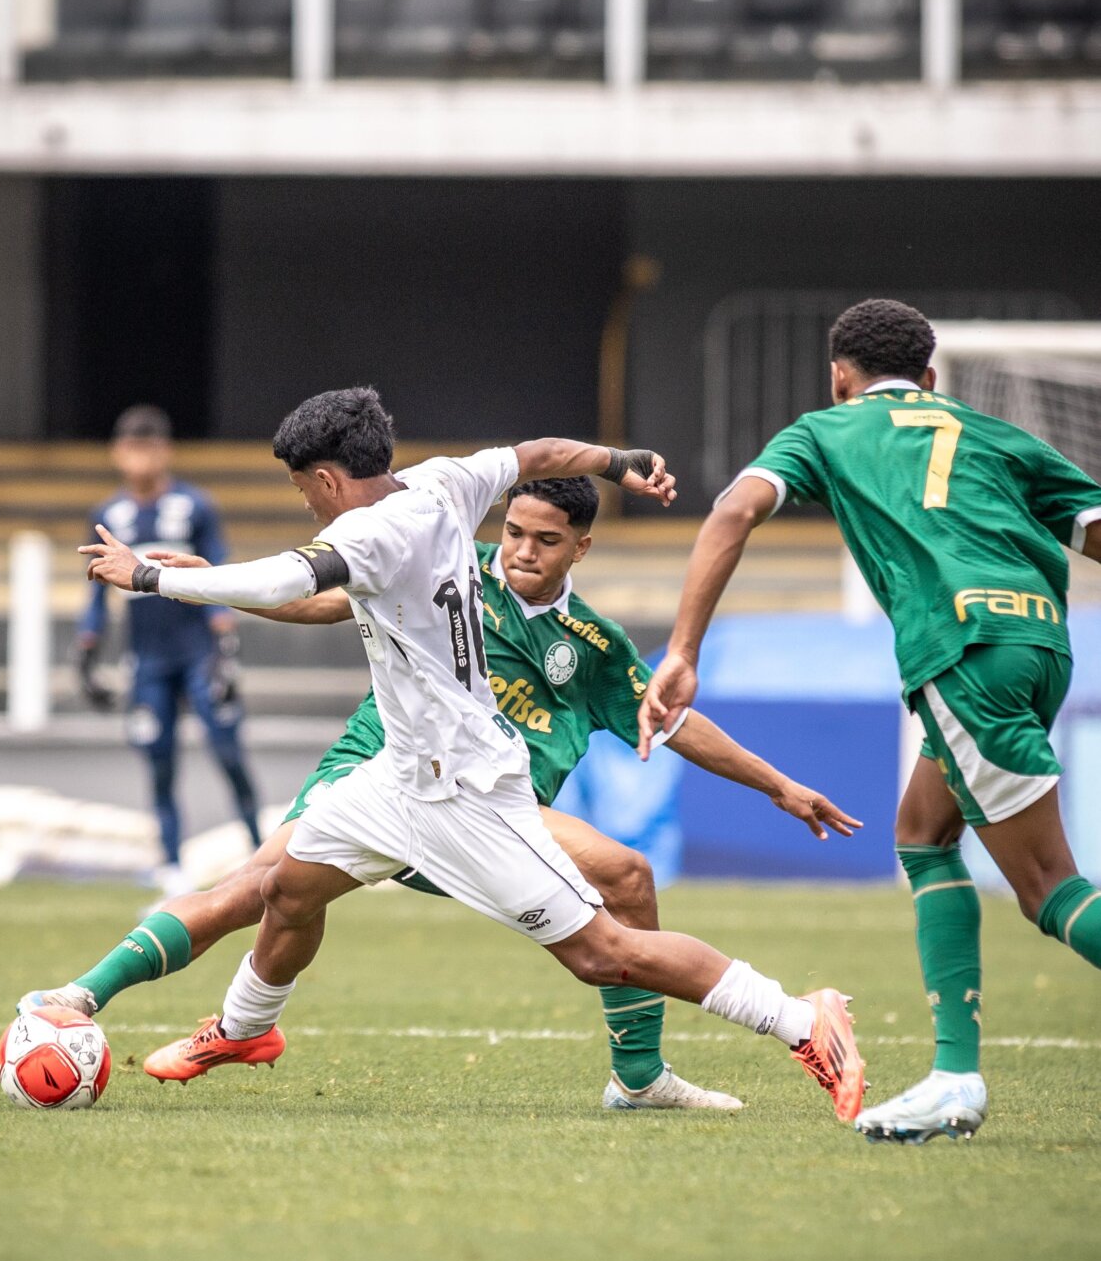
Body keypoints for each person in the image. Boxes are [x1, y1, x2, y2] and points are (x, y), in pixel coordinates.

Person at [77, 387, 866, 1122]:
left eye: (301, 489)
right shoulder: (445, 481)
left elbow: (288, 576)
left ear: (324, 477)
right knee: (281, 885)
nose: (522, 549)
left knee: (602, 953)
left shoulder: (374, 532)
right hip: (393, 773)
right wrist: (618, 460)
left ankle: (801, 1020)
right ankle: (137, 1011)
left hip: (464, 790)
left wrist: (147, 576)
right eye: (516, 532)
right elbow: (538, 453)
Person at [639, 298, 1101, 1145]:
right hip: (1041, 646)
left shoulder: (825, 430)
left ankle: (955, 1080)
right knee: (922, 836)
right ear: (929, 376)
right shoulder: (997, 435)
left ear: (838, 377)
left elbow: (733, 511)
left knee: (1047, 887)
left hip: (963, 652)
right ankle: (953, 1078)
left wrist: (682, 651)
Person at [77, 404, 263, 895]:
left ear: (165, 451)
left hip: (198, 654)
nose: (140, 459)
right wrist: (87, 652)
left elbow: (218, 574)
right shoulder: (108, 516)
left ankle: (261, 852)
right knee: (158, 762)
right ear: (117, 453)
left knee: (228, 753)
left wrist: (225, 647)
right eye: (131, 448)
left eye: (149, 448)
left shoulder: (194, 506)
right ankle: (173, 867)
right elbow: (95, 590)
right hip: (148, 661)